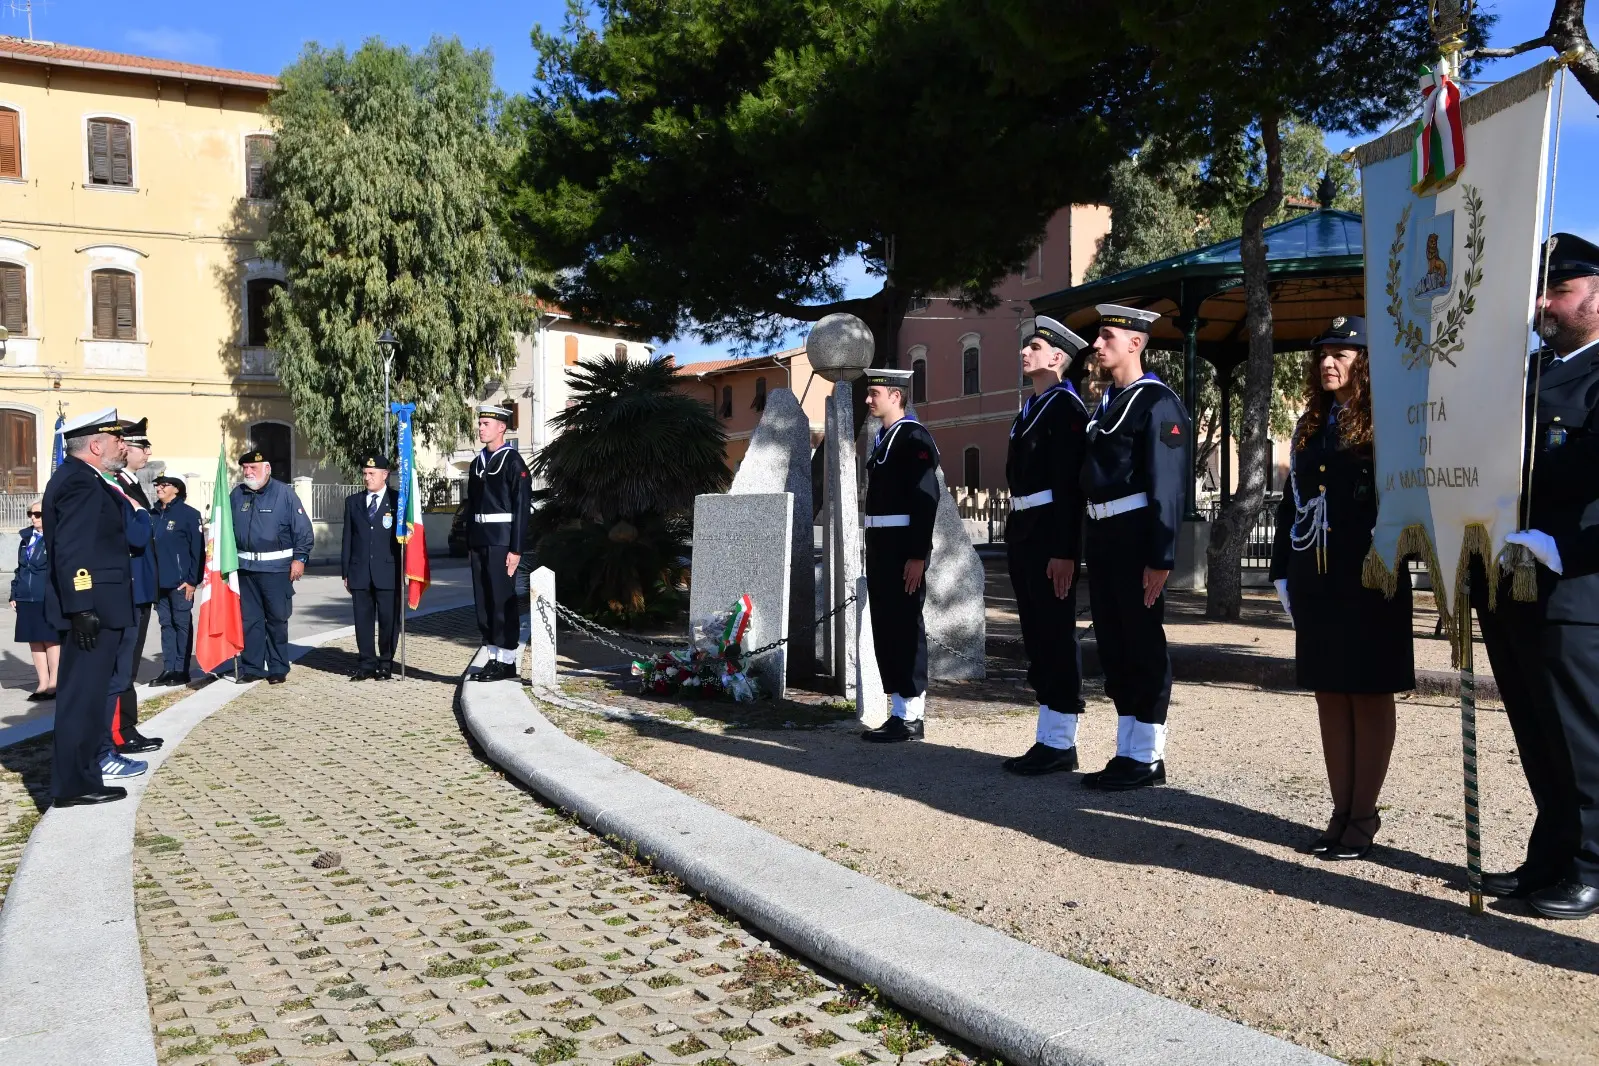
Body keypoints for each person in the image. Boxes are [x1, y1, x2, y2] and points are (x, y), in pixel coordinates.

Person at [1270, 317, 1414, 861]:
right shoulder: (1311, 421)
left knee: (1368, 691)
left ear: (1366, 364)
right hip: (1317, 580)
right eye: (1324, 354)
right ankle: (1339, 810)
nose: (1329, 362)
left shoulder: (1388, 423)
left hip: (1370, 577)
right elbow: (1292, 503)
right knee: (1329, 691)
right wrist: (1281, 570)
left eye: (1343, 354)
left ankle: (1363, 815)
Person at [1485, 232, 1599, 919]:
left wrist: (1564, 549)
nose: (1540, 304)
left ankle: (1591, 863)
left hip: (1574, 586)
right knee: (1536, 732)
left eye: (1557, 289)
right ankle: (1551, 854)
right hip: (1507, 581)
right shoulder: (1519, 375)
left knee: (1582, 736)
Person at [1078, 304, 1191, 789]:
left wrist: (1160, 557)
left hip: (1135, 536)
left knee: (1142, 642)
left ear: (1135, 343)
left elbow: (1167, 486)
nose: (1098, 345)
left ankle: (1147, 755)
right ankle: (1127, 750)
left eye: (1106, 336)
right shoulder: (1110, 403)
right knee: (1114, 644)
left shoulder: (1156, 402)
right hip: (1104, 537)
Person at [1001, 316, 1091, 775]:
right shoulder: (1032, 408)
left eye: (1033, 346)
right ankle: (1048, 735)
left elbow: (1069, 489)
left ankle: (1061, 742)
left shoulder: (1066, 408)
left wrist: (1064, 550)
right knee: (1037, 634)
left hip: (1049, 536)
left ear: (1057, 358)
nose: (1024, 352)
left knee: (1055, 633)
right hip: (1025, 530)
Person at [41, 408, 140, 805]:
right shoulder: (80, 483)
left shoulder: (83, 479)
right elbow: (73, 550)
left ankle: (82, 777)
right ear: (95, 446)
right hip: (93, 610)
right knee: (81, 699)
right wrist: (82, 607)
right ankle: (73, 786)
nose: (123, 446)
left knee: (86, 695)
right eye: (117, 441)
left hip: (99, 605)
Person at [859, 367, 941, 744]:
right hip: (880, 544)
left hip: (901, 547)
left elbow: (926, 500)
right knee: (887, 626)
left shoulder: (913, 436)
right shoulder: (885, 438)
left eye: (874, 392)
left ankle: (912, 714)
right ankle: (898, 710)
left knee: (906, 627)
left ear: (896, 395)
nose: (868, 399)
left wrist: (917, 554)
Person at [227, 448, 313, 684]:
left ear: (267, 469)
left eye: (253, 468)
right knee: (250, 621)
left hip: (276, 570)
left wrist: (300, 558)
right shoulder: (237, 495)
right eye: (245, 468)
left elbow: (303, 531)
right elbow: (226, 529)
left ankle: (277, 667)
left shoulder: (284, 494)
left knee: (276, 619)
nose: (248, 472)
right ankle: (252, 667)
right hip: (245, 569)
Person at [467, 401, 530, 682]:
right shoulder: (476, 463)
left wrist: (516, 549)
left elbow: (521, 508)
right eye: (480, 424)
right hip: (479, 541)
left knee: (502, 599)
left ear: (501, 427)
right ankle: (492, 656)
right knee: (484, 601)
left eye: (486, 424)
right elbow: (471, 507)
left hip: (501, 542)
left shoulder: (513, 462)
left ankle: (507, 660)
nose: (480, 428)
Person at [109, 418, 160, 753]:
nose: (148, 452)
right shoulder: (117, 484)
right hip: (130, 585)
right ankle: (119, 731)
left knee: (129, 663)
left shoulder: (129, 481)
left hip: (141, 585)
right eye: (143, 446)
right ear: (124, 448)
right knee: (122, 666)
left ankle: (127, 726)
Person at [342, 455, 402, 681]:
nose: (367, 478)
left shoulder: (398, 501)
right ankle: (366, 663)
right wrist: (345, 571)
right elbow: (348, 538)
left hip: (388, 571)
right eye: (365, 474)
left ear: (385, 475)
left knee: (388, 620)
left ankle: (385, 663)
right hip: (359, 572)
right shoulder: (353, 502)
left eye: (372, 474)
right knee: (362, 621)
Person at [150, 475, 204, 686]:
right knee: (166, 625)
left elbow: (197, 551)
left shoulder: (189, 515)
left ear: (177, 489)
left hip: (181, 582)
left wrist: (192, 580)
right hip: (158, 582)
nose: (159, 488)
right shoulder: (153, 514)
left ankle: (182, 669)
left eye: (164, 485)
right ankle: (169, 667)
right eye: (157, 485)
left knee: (181, 624)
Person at [10, 497, 57, 701]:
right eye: (31, 514)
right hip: (26, 597)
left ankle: (55, 683)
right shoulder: (26, 539)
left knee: (50, 639)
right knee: (34, 640)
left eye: (37, 514)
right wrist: (15, 593)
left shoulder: (55, 538)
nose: (33, 518)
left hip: (46, 596)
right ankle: (42, 683)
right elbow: (20, 568)